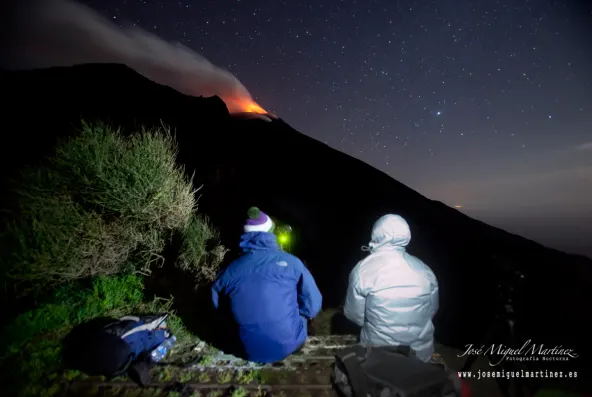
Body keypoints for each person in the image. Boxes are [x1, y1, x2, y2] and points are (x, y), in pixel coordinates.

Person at [211, 207, 323, 363]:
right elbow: (313, 305)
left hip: (244, 348)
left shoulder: (229, 270)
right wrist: (298, 314)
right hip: (289, 344)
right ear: (271, 233)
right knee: (303, 315)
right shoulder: (293, 263)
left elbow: (218, 308)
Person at [343, 214, 439, 362]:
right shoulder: (425, 270)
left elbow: (354, 315)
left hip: (378, 356)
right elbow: (431, 310)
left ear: (376, 234)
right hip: (420, 356)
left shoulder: (363, 269)